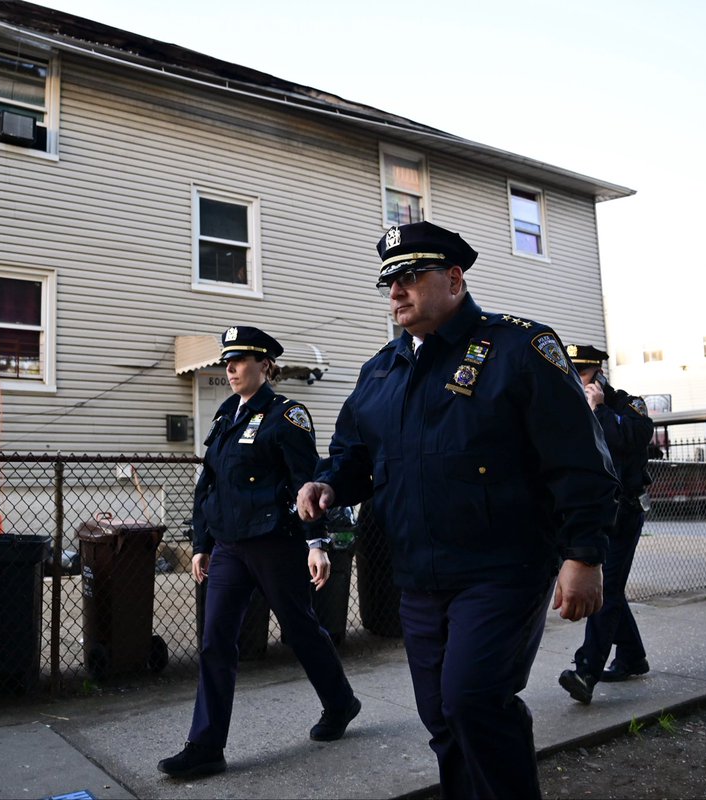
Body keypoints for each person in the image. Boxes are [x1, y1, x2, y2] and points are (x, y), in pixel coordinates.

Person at [297, 221, 618, 799]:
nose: (395, 291)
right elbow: (351, 456)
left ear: (454, 278)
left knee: (474, 700)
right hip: (419, 574)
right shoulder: (381, 371)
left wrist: (585, 554)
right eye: (388, 281)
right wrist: (326, 485)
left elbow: (579, 461)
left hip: (503, 567)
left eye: (409, 276)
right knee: (440, 714)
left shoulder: (519, 348)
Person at [159, 325, 361, 779]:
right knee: (215, 643)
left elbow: (305, 483)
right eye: (226, 362)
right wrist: (201, 544)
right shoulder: (226, 413)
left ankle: (340, 702)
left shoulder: (287, 416)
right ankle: (206, 746)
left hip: (275, 543)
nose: (230, 369)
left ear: (265, 366)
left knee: (302, 631)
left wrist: (316, 542)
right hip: (229, 546)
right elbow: (208, 483)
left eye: (241, 361)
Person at [558, 345, 655, 705]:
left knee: (607, 588)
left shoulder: (629, 407)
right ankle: (632, 656)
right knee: (609, 588)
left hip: (622, 511)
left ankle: (586, 671)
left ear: (597, 374)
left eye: (580, 372)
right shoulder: (565, 402)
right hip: (582, 512)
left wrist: (596, 409)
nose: (574, 378)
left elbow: (627, 442)